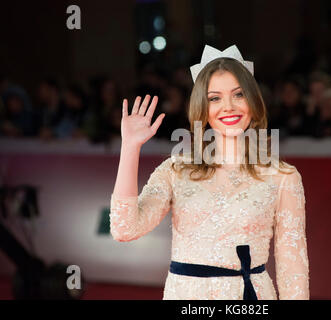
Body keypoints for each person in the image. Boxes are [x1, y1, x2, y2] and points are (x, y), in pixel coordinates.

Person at [109, 45, 310, 300]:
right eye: (215, 98)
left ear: (253, 100)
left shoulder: (283, 177)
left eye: (238, 95)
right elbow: (124, 229)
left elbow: (292, 267)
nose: (228, 107)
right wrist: (130, 147)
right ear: (201, 107)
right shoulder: (175, 170)